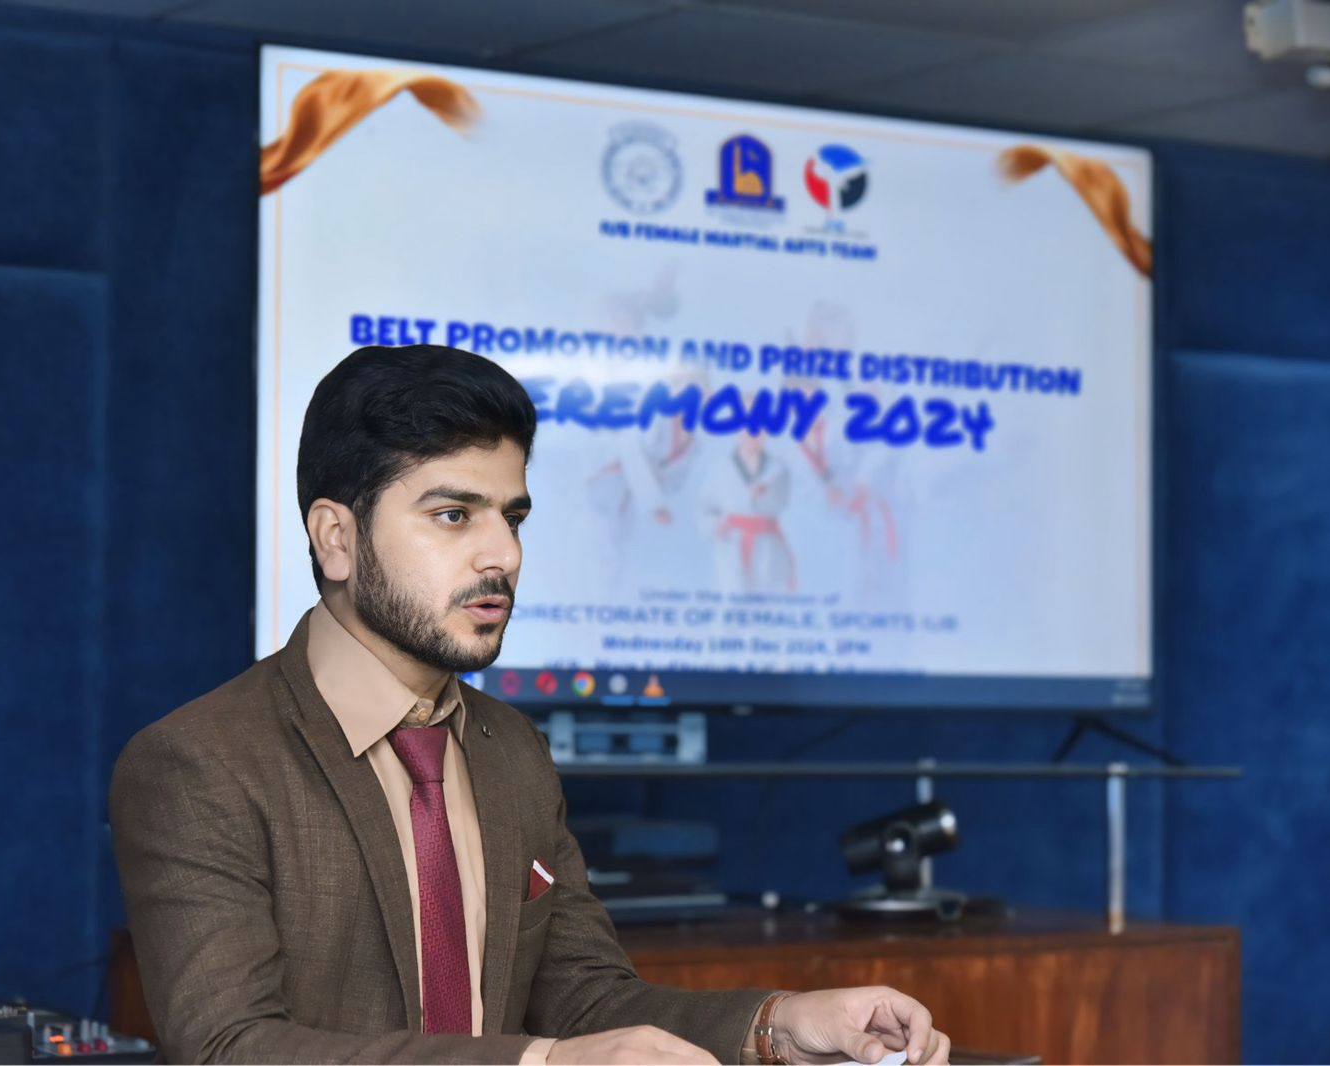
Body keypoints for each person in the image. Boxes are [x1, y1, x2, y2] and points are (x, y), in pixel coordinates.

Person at [109, 345, 952, 1065]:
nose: (502, 555)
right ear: (337, 538)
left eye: (511, 518)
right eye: (453, 515)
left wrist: (777, 1028)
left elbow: (586, 1003)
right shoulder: (202, 763)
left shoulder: (511, 749)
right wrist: (539, 1064)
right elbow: (233, 1048)